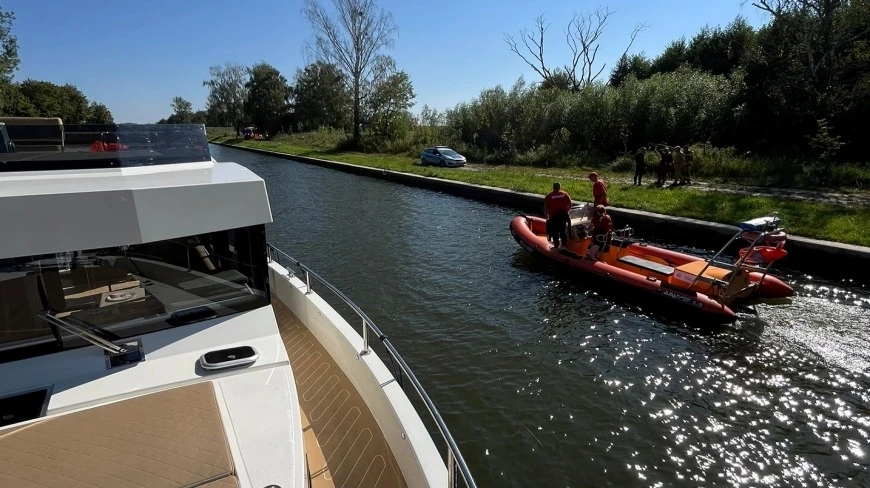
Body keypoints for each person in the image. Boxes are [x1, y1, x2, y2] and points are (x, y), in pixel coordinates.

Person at [544, 182, 572, 249]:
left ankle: (556, 246)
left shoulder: (549, 196)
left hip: (554, 216)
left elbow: (545, 207)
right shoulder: (565, 194)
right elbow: (570, 203)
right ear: (560, 187)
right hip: (563, 215)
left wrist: (546, 215)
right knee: (563, 231)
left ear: (553, 187)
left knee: (555, 232)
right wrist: (567, 211)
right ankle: (564, 246)